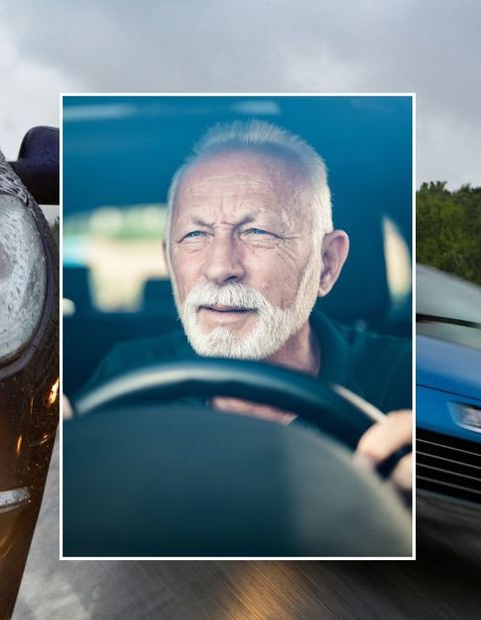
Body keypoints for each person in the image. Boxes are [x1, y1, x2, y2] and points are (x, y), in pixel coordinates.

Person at [65, 120, 412, 494]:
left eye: (257, 232)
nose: (219, 269)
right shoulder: (127, 373)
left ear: (326, 264)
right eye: (195, 234)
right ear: (169, 261)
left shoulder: (402, 380)